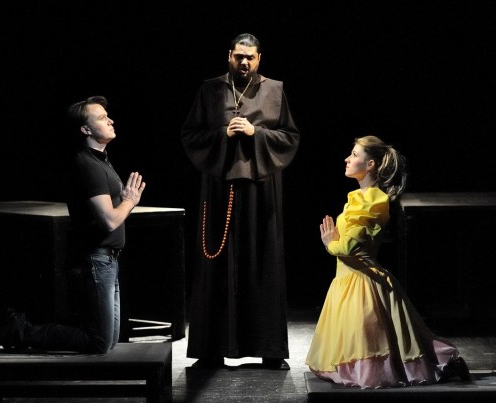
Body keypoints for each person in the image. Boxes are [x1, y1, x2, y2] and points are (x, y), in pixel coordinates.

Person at [305, 135, 471, 388]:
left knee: (374, 346)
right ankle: (446, 362)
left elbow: (350, 246)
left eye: (355, 155)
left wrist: (330, 243)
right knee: (375, 342)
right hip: (348, 280)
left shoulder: (371, 200)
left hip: (363, 282)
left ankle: (446, 362)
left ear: (370, 164)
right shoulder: (359, 197)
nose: (347, 159)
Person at [0, 95, 146, 354]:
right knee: (99, 342)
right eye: (102, 118)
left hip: (108, 260)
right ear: (86, 129)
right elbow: (109, 220)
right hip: (96, 260)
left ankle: (22, 331)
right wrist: (129, 201)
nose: (111, 120)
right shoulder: (87, 164)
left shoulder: (100, 160)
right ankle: (18, 331)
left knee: (108, 341)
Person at [181, 33, 300, 369]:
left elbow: (290, 137)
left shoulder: (274, 90)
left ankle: (270, 351)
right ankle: (210, 351)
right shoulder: (210, 89)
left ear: (259, 58)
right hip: (219, 188)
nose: (244, 63)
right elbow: (190, 135)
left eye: (250, 57)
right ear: (229, 56)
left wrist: (255, 133)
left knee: (263, 264)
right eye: (238, 57)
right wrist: (223, 134)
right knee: (216, 265)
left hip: (262, 189)